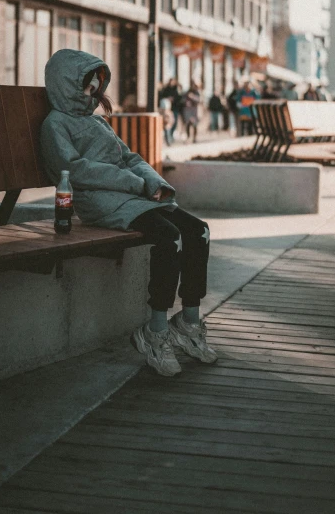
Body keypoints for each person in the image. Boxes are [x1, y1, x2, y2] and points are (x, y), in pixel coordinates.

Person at [40, 50, 217, 377]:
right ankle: (155, 330)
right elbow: (74, 170)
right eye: (86, 86)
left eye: (96, 86)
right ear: (67, 85)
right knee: (170, 238)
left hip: (132, 196)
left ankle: (189, 322)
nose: (92, 92)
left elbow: (130, 157)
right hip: (99, 203)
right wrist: (133, 184)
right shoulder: (55, 125)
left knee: (198, 231)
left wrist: (154, 182)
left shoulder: (97, 122)